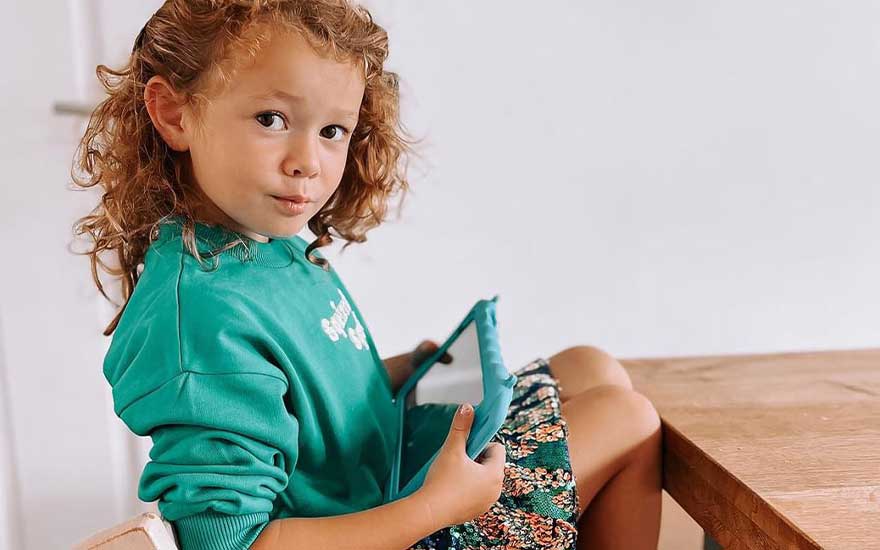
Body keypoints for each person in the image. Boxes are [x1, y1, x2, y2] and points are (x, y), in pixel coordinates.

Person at [71, 1, 663, 549]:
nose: (308, 160)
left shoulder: (267, 245)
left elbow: (292, 403)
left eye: (332, 131)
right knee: (626, 418)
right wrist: (435, 508)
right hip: (392, 525)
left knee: (590, 365)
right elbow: (227, 542)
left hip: (388, 473)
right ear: (174, 114)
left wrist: (393, 373)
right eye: (272, 118)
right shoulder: (199, 318)